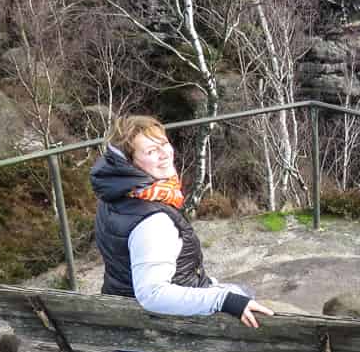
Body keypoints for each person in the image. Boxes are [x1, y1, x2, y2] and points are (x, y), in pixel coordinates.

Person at [90, 115, 273, 328]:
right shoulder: (153, 222)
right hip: (162, 335)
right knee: (251, 305)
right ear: (128, 163)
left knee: (238, 291)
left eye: (164, 144)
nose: (164, 154)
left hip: (121, 318)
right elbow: (153, 294)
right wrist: (222, 299)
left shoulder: (114, 197)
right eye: (151, 151)